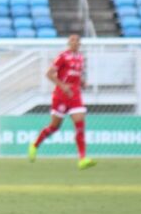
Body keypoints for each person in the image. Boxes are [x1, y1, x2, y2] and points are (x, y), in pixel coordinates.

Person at [28, 34, 95, 169]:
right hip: (61, 96)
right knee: (54, 127)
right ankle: (34, 145)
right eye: (72, 40)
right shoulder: (62, 57)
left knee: (80, 125)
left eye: (77, 41)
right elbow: (49, 74)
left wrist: (82, 82)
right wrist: (62, 86)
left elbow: (75, 76)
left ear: (80, 44)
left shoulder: (81, 58)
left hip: (75, 96)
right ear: (68, 43)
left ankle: (82, 159)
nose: (74, 42)